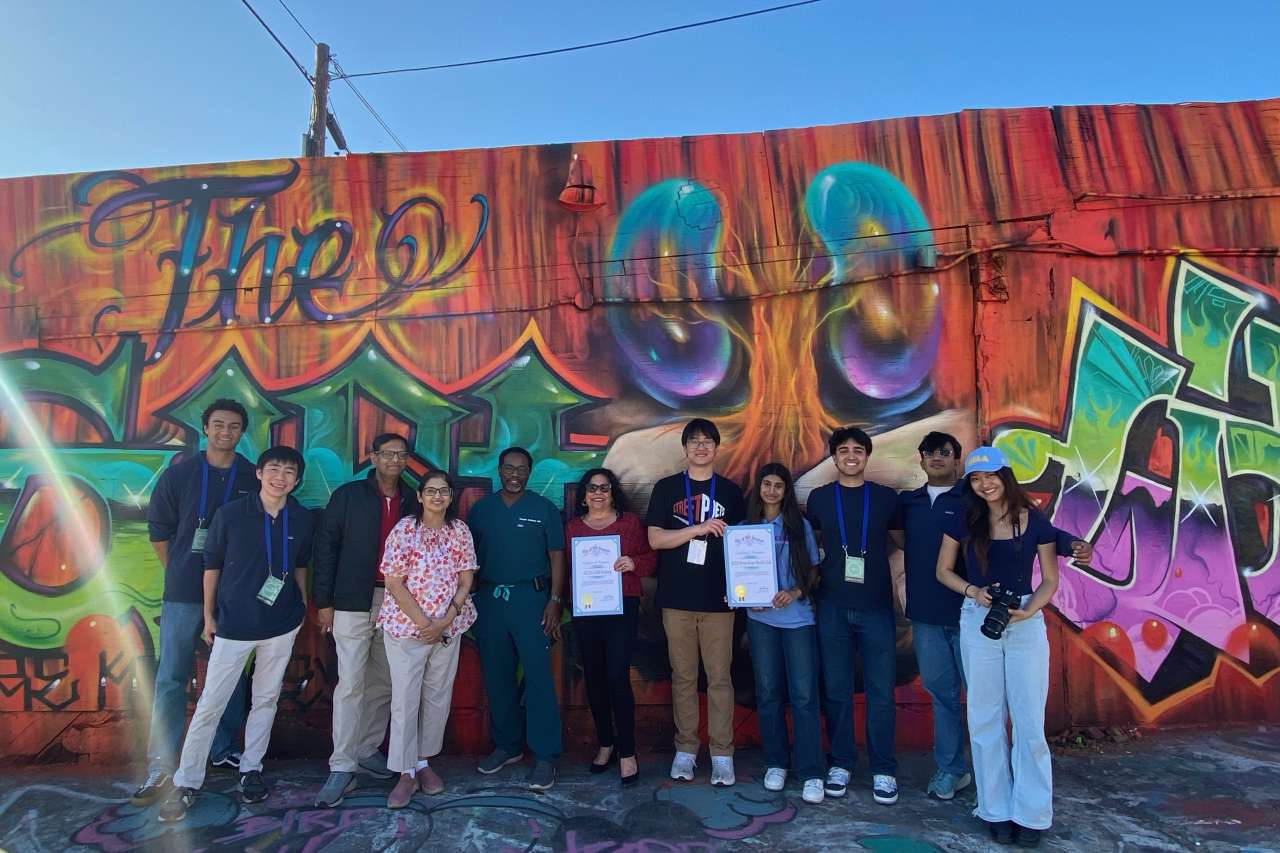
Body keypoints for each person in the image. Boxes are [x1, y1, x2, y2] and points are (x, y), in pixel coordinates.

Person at [894, 432, 1093, 803]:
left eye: (946, 452)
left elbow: (1040, 533)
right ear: (919, 459)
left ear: (957, 460)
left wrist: (1075, 546)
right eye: (929, 452)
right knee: (947, 697)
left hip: (981, 618)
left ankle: (1014, 792)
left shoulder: (972, 504)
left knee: (1004, 706)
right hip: (931, 614)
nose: (937, 458)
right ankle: (957, 773)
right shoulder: (910, 503)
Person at [158, 446, 315, 823]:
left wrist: (302, 607)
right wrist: (209, 615)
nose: (281, 477)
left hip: (281, 625)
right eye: (274, 469)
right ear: (259, 474)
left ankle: (251, 770)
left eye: (290, 472)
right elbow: (210, 565)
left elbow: (301, 566)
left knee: (265, 700)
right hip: (234, 624)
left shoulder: (302, 518)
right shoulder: (230, 515)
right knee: (211, 702)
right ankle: (188, 781)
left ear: (297, 480)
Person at [133, 399, 259, 805]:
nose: (226, 432)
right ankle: (161, 763)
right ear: (205, 428)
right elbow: (159, 530)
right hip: (184, 594)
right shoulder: (182, 474)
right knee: (171, 675)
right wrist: (181, 571)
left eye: (234, 426)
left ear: (242, 432)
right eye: (218, 424)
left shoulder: (252, 476)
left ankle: (222, 750)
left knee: (232, 676)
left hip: (235, 594)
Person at [935, 446, 1061, 848]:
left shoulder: (1034, 521)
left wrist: (1029, 610)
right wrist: (973, 591)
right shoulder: (964, 520)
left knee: (1028, 720)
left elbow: (1049, 579)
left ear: (1005, 475)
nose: (984, 484)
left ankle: (1032, 813)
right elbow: (943, 571)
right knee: (985, 716)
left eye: (990, 475)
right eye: (975, 478)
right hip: (978, 618)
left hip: (1025, 622)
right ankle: (995, 809)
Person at [313, 433, 421, 807]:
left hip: (397, 602)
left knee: (385, 682)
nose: (394, 460)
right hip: (352, 600)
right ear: (373, 457)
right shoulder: (348, 496)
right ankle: (342, 766)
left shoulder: (414, 498)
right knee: (350, 683)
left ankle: (366, 749)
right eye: (387, 454)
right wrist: (323, 600)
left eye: (401, 454)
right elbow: (325, 546)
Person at [645, 418, 747, 786]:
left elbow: (743, 547)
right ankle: (685, 750)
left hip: (720, 602)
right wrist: (697, 529)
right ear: (685, 448)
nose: (701, 447)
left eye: (708, 442)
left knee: (720, 679)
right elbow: (655, 539)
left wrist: (741, 589)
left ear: (717, 448)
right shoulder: (666, 488)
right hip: (676, 599)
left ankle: (722, 754)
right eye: (694, 441)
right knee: (683, 678)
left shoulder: (732, 492)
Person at [805, 426, 901, 805]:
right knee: (837, 690)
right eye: (843, 449)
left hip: (876, 606)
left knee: (881, 692)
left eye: (858, 450)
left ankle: (883, 768)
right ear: (833, 456)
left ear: (867, 455)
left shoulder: (886, 499)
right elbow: (810, 550)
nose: (850, 456)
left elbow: (905, 547)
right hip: (831, 605)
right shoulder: (818, 498)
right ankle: (841, 762)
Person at [467, 446, 567, 791]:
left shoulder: (544, 509)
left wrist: (554, 600)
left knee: (538, 677)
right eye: (509, 468)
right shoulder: (481, 511)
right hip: (491, 600)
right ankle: (507, 745)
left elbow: (556, 556)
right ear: (499, 470)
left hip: (532, 599)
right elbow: (469, 562)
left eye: (522, 469)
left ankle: (545, 755)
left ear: (530, 472)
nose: (515, 474)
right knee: (497, 676)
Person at [378, 470, 478, 807]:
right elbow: (393, 582)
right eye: (431, 491)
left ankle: (422, 762)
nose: (438, 497)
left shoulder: (459, 530)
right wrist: (425, 624)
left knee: (437, 696)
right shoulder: (405, 530)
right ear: (419, 496)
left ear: (451, 496)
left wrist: (445, 620)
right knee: (405, 699)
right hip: (408, 628)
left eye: (444, 491)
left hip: (448, 628)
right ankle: (404, 773)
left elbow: (466, 580)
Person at [565, 467, 656, 786]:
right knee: (594, 676)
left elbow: (650, 559)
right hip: (587, 610)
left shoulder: (629, 523)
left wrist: (634, 563)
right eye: (592, 488)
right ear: (584, 495)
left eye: (604, 487)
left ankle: (628, 751)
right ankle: (606, 743)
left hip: (622, 607)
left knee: (618, 674)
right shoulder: (573, 528)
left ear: (613, 491)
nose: (598, 493)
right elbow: (566, 570)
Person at [742, 463, 825, 805]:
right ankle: (776, 763)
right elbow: (738, 575)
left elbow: (815, 573)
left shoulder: (798, 526)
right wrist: (741, 595)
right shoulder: (745, 529)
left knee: (804, 695)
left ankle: (811, 772)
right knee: (767, 691)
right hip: (760, 620)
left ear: (786, 491)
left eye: (778, 485)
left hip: (797, 621)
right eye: (767, 484)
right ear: (758, 488)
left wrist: (794, 592)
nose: (772, 490)